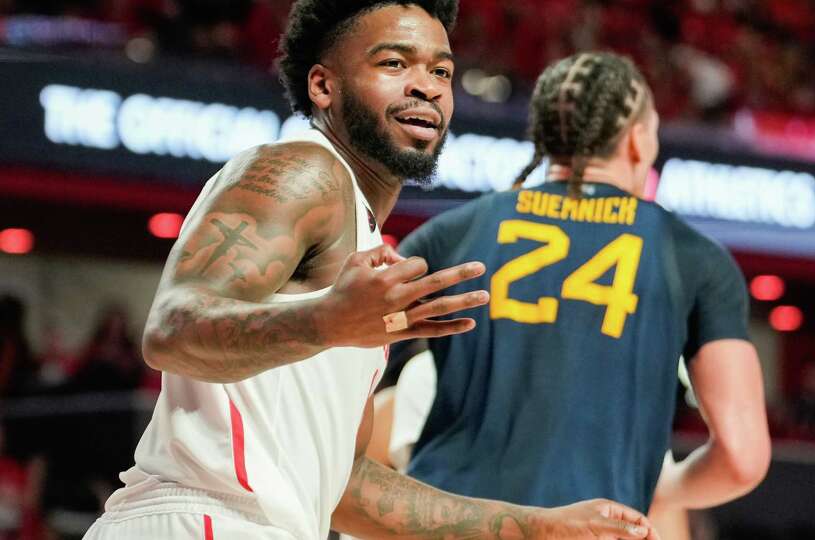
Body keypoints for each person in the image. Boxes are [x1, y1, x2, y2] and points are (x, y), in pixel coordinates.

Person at [83, 3, 658, 539]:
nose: (426, 85)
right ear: (323, 86)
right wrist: (328, 321)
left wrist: (535, 527)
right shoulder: (301, 170)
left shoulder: (359, 245)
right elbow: (172, 331)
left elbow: (347, 486)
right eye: (393, 62)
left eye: (441, 71)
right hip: (201, 518)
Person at [396, 51, 771, 535]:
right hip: (588, 530)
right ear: (638, 140)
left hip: (447, 527)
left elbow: (349, 375)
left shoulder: (447, 234)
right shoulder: (693, 257)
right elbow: (743, 458)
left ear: (545, 135)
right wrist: (663, 489)